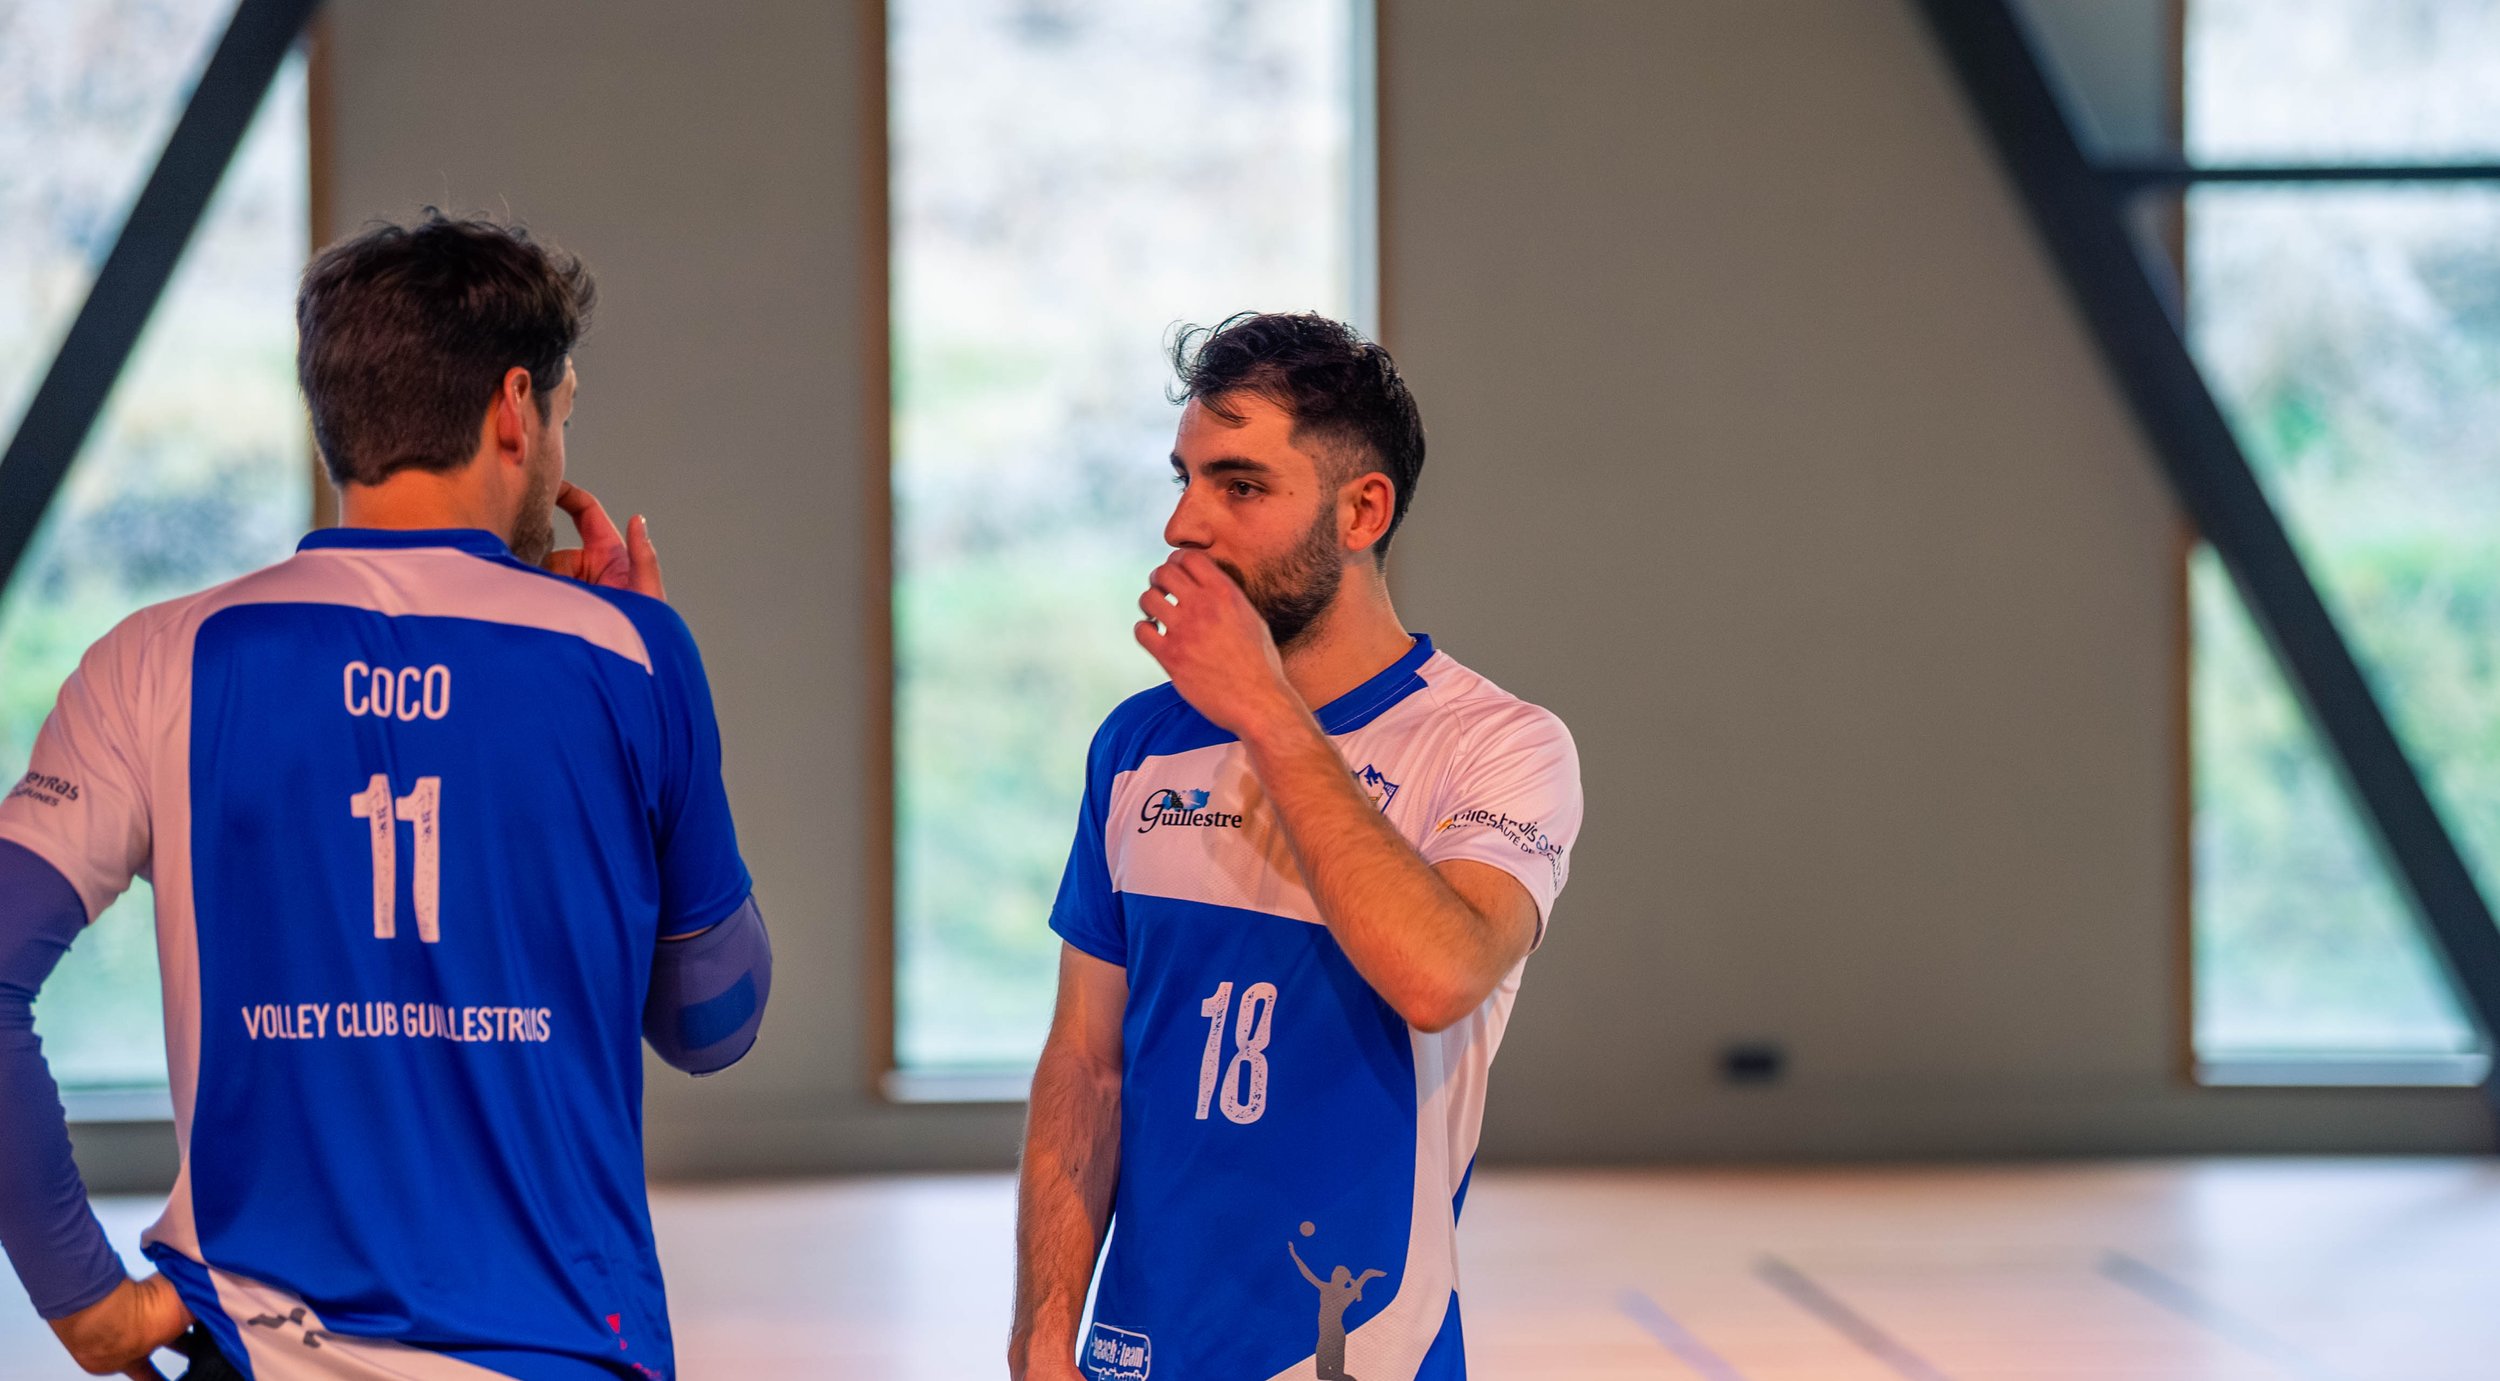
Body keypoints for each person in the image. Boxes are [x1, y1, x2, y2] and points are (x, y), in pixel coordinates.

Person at [0, 212, 771, 1380]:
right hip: (556, 1352)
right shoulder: (630, 656)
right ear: (515, 409)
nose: (559, 451)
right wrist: (639, 661)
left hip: (252, 1351)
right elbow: (714, 1025)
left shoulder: (155, 658)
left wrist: (86, 1301)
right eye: (564, 416)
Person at [1009, 312, 1585, 1381]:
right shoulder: (1136, 745)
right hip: (1134, 1357)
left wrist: (1268, 716)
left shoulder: (1499, 745)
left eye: (1239, 486)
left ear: (1361, 509)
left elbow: (1440, 972)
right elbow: (1085, 1066)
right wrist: (1045, 1336)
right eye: (1182, 479)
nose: (1186, 523)